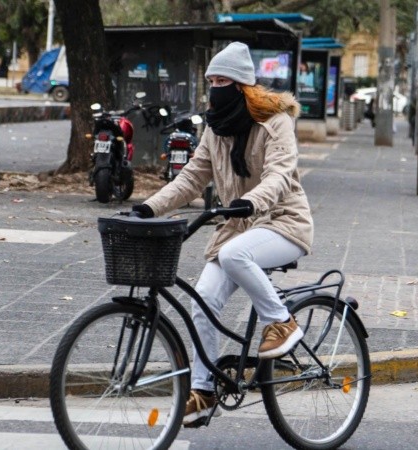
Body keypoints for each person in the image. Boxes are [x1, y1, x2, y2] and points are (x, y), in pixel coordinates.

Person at [131, 41, 313, 427]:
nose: (215, 87)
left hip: (283, 222)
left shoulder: (276, 121)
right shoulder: (215, 130)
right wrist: (149, 207)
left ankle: (282, 322)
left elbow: (280, 174)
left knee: (234, 255)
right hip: (238, 227)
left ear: (243, 85)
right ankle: (204, 391)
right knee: (202, 300)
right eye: (211, 80)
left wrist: (252, 201)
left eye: (222, 80)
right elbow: (191, 179)